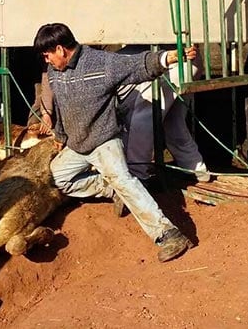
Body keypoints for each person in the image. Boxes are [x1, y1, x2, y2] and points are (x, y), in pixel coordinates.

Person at [33, 23, 193, 263]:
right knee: (59, 178)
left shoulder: (100, 63)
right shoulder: (55, 72)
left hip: (103, 141)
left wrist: (169, 57)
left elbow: (138, 65)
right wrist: (61, 136)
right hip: (77, 145)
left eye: (47, 55)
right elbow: (61, 107)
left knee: (125, 181)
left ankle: (168, 234)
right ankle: (111, 190)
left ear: (60, 49)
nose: (47, 61)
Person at [117, 46, 209, 182]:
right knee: (173, 120)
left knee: (144, 113)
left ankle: (138, 173)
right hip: (184, 60)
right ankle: (196, 168)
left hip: (168, 61)